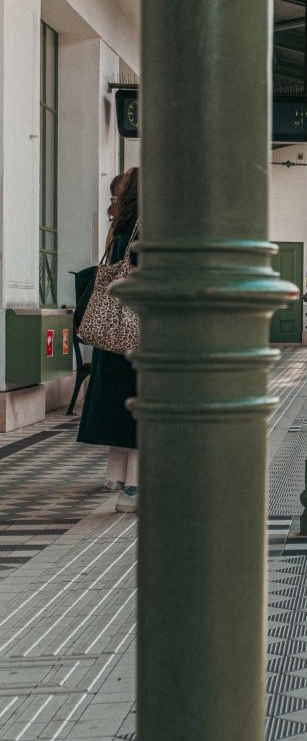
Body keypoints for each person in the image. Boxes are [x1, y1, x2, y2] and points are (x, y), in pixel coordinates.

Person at [77, 168, 140, 512]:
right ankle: (133, 487)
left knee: (119, 404)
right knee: (140, 406)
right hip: (136, 328)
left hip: (111, 329)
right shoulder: (147, 226)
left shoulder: (119, 225)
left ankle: (116, 475)